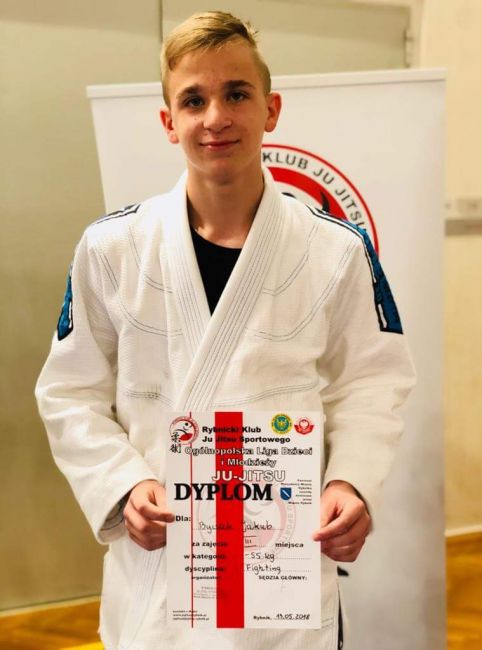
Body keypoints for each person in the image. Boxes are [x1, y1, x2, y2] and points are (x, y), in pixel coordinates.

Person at [36, 10, 415, 650]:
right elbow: (69, 392)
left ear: (271, 109)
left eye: (236, 93)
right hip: (162, 559)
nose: (216, 117)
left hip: (281, 564)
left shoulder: (335, 249)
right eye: (194, 100)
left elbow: (373, 381)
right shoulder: (112, 247)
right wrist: (122, 485)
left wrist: (349, 479)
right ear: (169, 121)